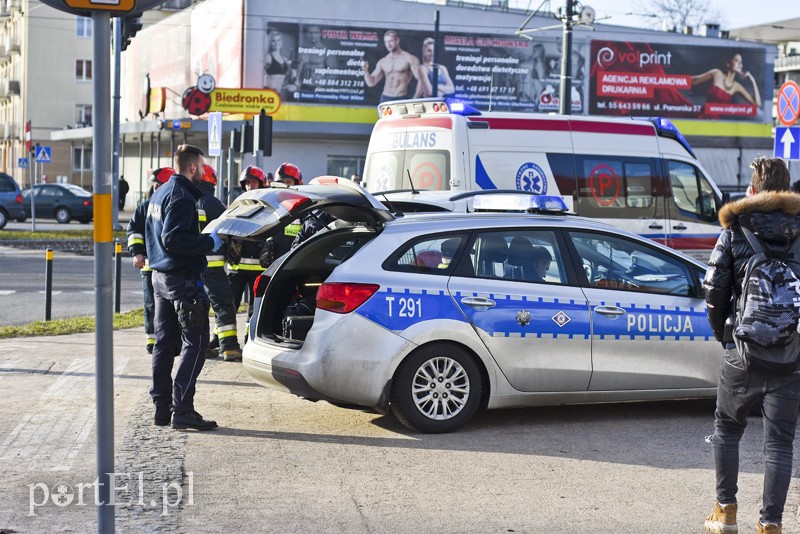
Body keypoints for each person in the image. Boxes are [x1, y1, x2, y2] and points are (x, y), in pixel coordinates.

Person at [703, 157, 800, 534]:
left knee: (727, 428)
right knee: (779, 445)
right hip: (790, 356)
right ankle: (770, 525)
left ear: (754, 189)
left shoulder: (735, 231)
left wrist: (724, 335)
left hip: (741, 354)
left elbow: (714, 290)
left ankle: (725, 513)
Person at [145, 144, 221, 431]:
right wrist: (209, 243)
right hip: (182, 281)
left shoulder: (161, 192)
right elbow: (173, 240)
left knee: (164, 345)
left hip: (160, 279)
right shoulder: (181, 198)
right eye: (202, 166)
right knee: (197, 342)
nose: (203, 171)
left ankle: (161, 408)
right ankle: (183, 409)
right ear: (192, 168)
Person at [196, 164, 242, 362]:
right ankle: (229, 347)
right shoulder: (212, 203)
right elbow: (228, 229)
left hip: (192, 265)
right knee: (223, 303)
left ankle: (199, 346)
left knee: (198, 306)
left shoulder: (186, 200)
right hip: (212, 265)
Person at [126, 167, 174, 354]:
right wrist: (137, 252)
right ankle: (152, 339)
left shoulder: (174, 205)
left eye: (159, 186)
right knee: (150, 304)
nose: (155, 190)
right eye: (154, 186)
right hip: (149, 265)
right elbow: (133, 231)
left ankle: (169, 338)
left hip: (170, 266)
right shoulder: (145, 207)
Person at [227, 166, 271, 346]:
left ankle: (249, 338)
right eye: (247, 183)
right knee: (229, 304)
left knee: (254, 308)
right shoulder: (238, 202)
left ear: (261, 183)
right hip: (236, 267)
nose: (250, 186)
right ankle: (224, 339)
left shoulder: (267, 205)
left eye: (253, 182)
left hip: (258, 266)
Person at [362, 30, 423, 103]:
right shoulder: (383, 61)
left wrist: (415, 98)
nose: (388, 44)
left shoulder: (409, 58)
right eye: (386, 42)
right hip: (385, 98)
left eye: (390, 41)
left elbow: (422, 79)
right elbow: (371, 83)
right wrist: (365, 71)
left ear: (397, 40)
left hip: (401, 98)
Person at [692, 52, 761, 109]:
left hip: (719, 124)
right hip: (703, 120)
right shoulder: (717, 73)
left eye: (741, 62)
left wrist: (753, 80)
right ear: (728, 64)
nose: (740, 64)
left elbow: (757, 104)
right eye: (736, 60)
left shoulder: (737, 86)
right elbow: (694, 80)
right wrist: (681, 80)